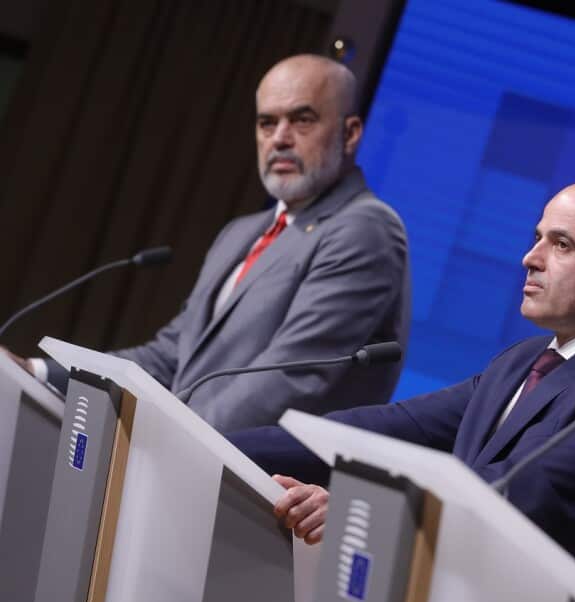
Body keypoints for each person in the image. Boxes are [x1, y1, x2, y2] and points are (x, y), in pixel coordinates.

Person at [230, 180, 575, 597]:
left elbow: (521, 491)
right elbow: (381, 430)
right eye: (538, 238)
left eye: (561, 244)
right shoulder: (521, 362)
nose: (530, 259)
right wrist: (220, 444)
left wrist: (357, 507)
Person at [4, 54, 410, 433]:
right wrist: (38, 372)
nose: (280, 138)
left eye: (302, 120)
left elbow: (287, 378)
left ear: (351, 132)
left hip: (259, 488)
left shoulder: (364, 229)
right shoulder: (241, 233)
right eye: (267, 123)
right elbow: (169, 358)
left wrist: (162, 440)